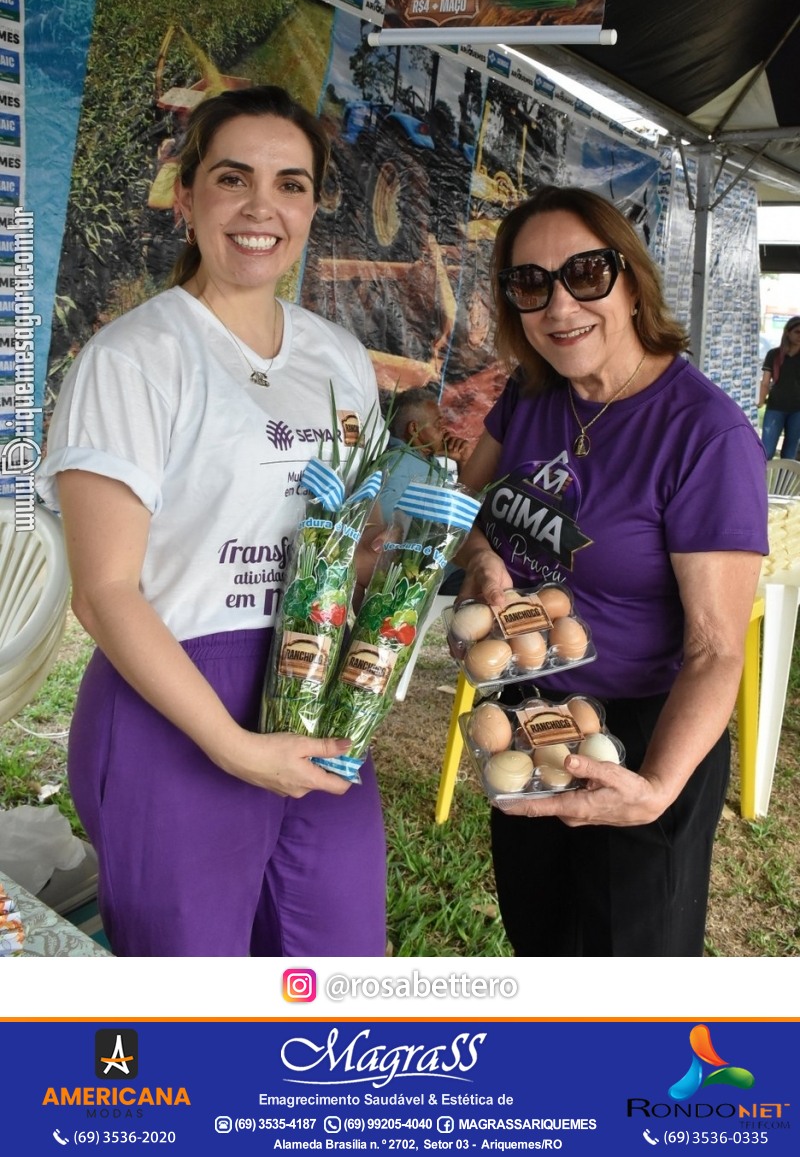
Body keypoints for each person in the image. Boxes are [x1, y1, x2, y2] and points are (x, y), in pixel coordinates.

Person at [37, 85, 387, 958]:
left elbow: (358, 538)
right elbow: (105, 591)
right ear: (187, 197)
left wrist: (417, 581)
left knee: (334, 965)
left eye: (291, 183)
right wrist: (233, 745)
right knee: (191, 999)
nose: (262, 207)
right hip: (175, 705)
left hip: (318, 686)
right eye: (234, 178)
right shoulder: (135, 358)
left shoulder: (338, 356)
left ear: (312, 205)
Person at [456, 186, 768, 957]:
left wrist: (656, 789)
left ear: (632, 281)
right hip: (529, 711)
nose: (559, 305)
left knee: (629, 986)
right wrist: (481, 557)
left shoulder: (704, 435)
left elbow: (715, 650)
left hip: (639, 729)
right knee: (539, 940)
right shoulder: (531, 396)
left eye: (585, 273)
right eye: (530, 283)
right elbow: (460, 508)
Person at [379, 386, 469, 523]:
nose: (444, 429)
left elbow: (457, 510)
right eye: (438, 424)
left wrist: (463, 461)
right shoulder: (399, 462)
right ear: (414, 429)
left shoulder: (428, 460)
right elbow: (381, 518)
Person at [758, 317, 800, 460]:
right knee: (766, 451)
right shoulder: (774, 354)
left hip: (798, 410)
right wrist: (761, 401)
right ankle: (760, 481)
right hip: (776, 407)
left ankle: (784, 482)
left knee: (789, 454)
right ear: (788, 333)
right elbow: (765, 382)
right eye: (797, 332)